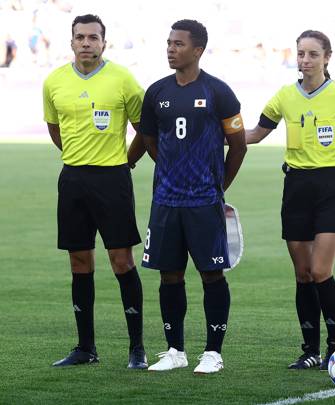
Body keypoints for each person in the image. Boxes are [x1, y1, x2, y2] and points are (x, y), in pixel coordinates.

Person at [245, 30, 335, 370]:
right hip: (296, 188)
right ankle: (309, 350)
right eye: (301, 53)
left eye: (313, 54)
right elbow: (256, 134)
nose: (305, 60)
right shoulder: (284, 96)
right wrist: (214, 136)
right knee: (302, 274)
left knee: (320, 270)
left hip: (331, 188)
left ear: (327, 57)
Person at [139, 19, 247, 374]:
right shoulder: (156, 92)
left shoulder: (218, 92)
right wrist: (173, 173)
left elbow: (239, 145)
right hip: (166, 202)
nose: (171, 48)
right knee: (169, 275)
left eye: (179, 44)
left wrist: (219, 186)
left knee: (211, 275)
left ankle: (213, 352)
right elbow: (152, 142)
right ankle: (175, 350)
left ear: (197, 50)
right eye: (169, 43)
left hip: (204, 202)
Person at [42, 14, 148, 369]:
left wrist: (125, 163)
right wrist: (76, 157)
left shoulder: (123, 79)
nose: (86, 43)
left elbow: (143, 131)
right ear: (71, 42)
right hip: (72, 180)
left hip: (112, 180)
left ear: (104, 42)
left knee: (121, 260)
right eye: (80, 37)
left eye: (93, 37)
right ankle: (86, 347)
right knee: (78, 261)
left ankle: (137, 348)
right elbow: (55, 129)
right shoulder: (54, 81)